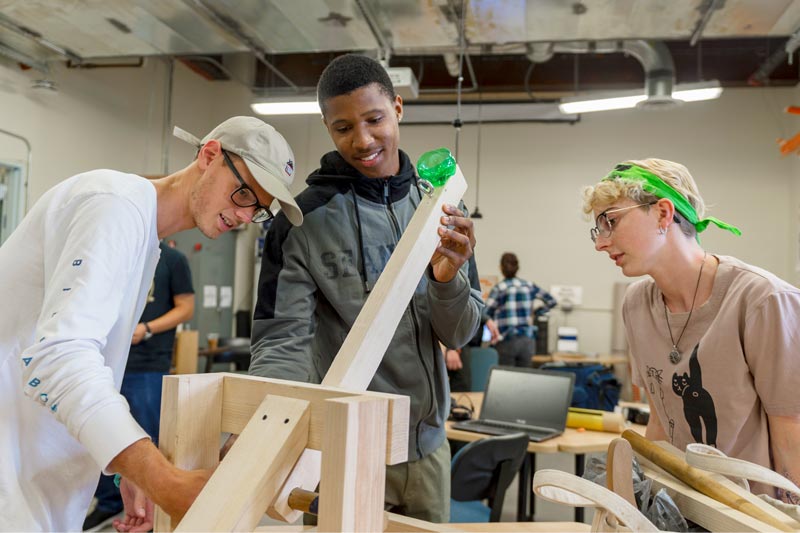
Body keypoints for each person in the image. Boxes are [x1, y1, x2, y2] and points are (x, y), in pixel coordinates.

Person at [0, 116, 303, 532]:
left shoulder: (145, 238)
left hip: (34, 476)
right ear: (209, 155)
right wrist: (166, 482)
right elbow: (59, 357)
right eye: (244, 191)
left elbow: (91, 364)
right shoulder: (114, 205)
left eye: (259, 208)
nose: (243, 213)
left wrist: (130, 468)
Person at [249, 54, 483, 522]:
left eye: (374, 119)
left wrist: (446, 278)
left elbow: (461, 335)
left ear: (398, 107)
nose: (363, 140)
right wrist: (269, 432)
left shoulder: (440, 207)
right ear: (326, 127)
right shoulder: (301, 221)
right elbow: (281, 341)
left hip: (427, 445)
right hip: (342, 445)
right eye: (343, 127)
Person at [583, 158, 800, 500]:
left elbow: (792, 435)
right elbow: (660, 421)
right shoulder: (637, 303)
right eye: (599, 229)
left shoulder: (762, 300)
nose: (601, 243)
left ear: (663, 214)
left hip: (751, 514)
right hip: (681, 507)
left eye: (611, 221)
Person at [83, 241, 195, 531]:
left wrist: (147, 329)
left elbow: (186, 308)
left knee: (144, 438)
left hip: (148, 365)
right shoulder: (121, 253)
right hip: (106, 364)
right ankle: (108, 504)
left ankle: (148, 510)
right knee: (104, 436)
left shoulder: (173, 260)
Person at [484, 252, 557, 367]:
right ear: (517, 268)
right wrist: (537, 312)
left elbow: (485, 312)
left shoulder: (499, 288)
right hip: (527, 341)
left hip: (506, 340)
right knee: (524, 380)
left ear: (501, 268)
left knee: (505, 380)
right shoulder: (529, 286)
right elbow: (552, 301)